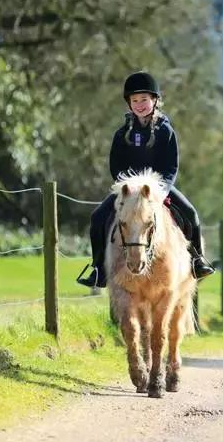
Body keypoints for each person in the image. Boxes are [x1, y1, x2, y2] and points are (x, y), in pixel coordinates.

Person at [77, 71, 215, 288]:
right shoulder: (122, 133)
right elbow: (116, 165)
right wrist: (126, 187)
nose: (139, 104)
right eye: (135, 100)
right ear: (129, 103)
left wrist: (162, 190)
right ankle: (98, 269)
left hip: (158, 189)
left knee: (191, 215)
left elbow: (171, 166)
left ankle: (198, 261)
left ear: (155, 101)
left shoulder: (165, 131)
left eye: (144, 99)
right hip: (129, 191)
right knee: (97, 218)